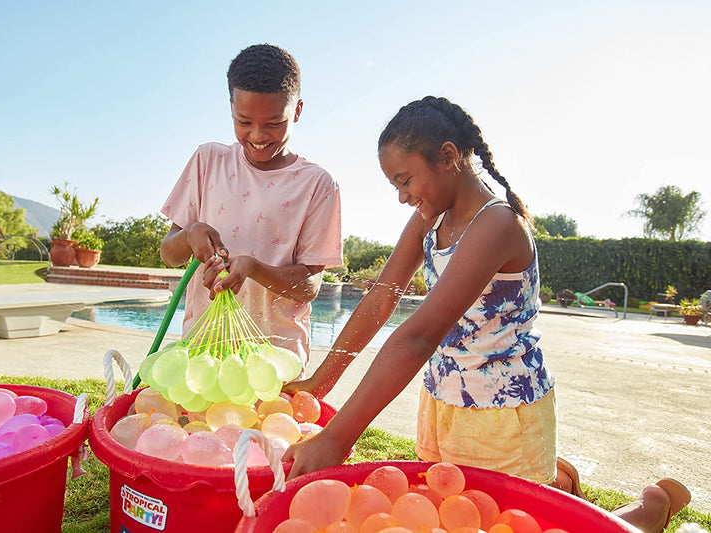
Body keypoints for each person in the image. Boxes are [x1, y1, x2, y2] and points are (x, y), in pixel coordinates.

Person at [283, 96, 690, 533]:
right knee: (456, 519)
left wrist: (338, 438)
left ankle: (650, 508)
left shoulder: (498, 225)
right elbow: (381, 300)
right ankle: (557, 480)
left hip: (504, 413)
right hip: (443, 400)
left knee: (514, 525)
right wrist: (319, 382)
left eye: (405, 180)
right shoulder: (429, 220)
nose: (402, 197)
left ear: (448, 156)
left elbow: (418, 336)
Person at [159, 44, 343, 367]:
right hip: (204, 358)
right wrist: (189, 235)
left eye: (274, 123)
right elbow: (168, 253)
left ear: (297, 110)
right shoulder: (208, 161)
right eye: (243, 121)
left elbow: (310, 285)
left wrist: (256, 269)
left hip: (275, 364)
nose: (257, 135)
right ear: (230, 108)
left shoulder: (318, 185)